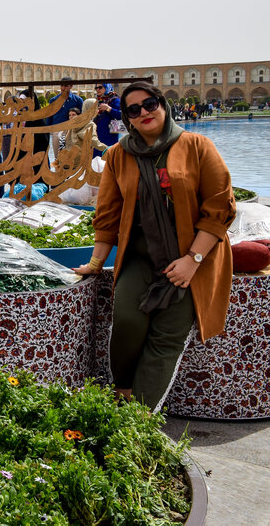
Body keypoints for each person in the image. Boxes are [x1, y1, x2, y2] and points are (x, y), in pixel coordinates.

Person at [74, 81, 235, 412]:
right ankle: (122, 392)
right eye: (133, 109)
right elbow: (107, 216)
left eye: (149, 104)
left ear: (163, 105)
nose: (143, 113)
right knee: (128, 322)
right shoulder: (119, 155)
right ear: (127, 118)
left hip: (193, 261)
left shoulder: (197, 146)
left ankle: (139, 419)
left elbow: (220, 208)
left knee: (166, 338)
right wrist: (94, 263)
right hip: (141, 258)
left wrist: (193, 259)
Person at [48, 77, 83, 162]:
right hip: (57, 131)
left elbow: (81, 117)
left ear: (71, 86)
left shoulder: (77, 100)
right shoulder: (53, 100)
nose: (63, 88)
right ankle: (58, 174)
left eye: (66, 86)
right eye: (61, 85)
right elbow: (50, 116)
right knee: (57, 157)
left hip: (71, 132)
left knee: (71, 157)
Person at [93, 82, 123, 154]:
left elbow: (121, 115)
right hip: (97, 134)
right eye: (96, 88)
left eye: (100, 87)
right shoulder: (98, 100)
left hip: (110, 134)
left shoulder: (115, 100)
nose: (98, 90)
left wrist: (108, 109)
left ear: (106, 88)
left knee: (108, 155)